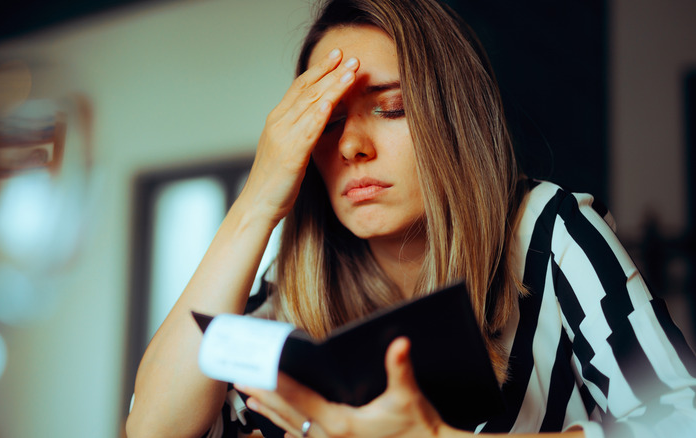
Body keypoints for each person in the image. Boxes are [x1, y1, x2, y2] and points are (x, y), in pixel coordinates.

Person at [125, 0, 696, 437]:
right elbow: (152, 430)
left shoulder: (549, 232)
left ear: (451, 118)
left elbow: (679, 417)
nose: (350, 146)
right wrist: (256, 203)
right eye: (324, 123)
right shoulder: (285, 301)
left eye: (391, 108)